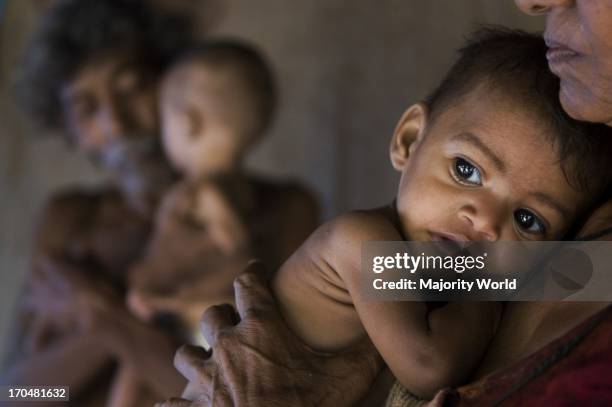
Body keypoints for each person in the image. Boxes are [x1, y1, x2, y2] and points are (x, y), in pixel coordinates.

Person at [158, 6, 612, 406]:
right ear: (409, 140)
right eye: (466, 171)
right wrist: (487, 297)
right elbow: (431, 367)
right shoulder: (360, 244)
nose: (485, 222)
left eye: (528, 220)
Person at [0, 0, 196, 405]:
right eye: (87, 108)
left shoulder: (264, 209)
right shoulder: (70, 218)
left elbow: (239, 397)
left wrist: (101, 310)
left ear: (175, 84)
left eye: (132, 88)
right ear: (68, 128)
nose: (117, 122)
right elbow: (18, 393)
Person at [128, 40, 319, 337]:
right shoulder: (235, 191)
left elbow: (237, 250)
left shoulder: (202, 192)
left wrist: (177, 299)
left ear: (186, 123)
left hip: (212, 315)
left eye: (164, 121)